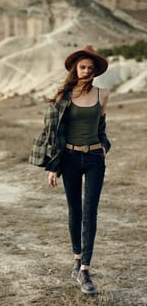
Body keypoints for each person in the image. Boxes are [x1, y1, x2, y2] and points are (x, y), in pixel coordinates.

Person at [29, 45, 111, 295]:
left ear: (95, 71)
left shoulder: (103, 94)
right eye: (83, 66)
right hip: (70, 158)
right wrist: (53, 167)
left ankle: (85, 269)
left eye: (91, 67)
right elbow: (53, 134)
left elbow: (101, 127)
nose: (87, 71)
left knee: (91, 212)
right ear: (76, 69)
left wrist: (104, 147)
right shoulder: (62, 96)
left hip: (95, 158)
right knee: (74, 210)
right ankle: (77, 257)